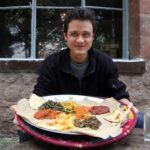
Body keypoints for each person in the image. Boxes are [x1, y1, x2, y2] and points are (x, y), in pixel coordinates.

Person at [11, 7, 143, 143]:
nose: (80, 40)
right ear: (65, 36)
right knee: (25, 132)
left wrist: (127, 104)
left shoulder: (105, 62)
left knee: (141, 120)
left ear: (93, 37)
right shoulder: (51, 62)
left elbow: (118, 94)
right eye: (74, 34)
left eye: (86, 34)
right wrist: (22, 112)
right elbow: (39, 97)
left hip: (98, 122)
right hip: (58, 123)